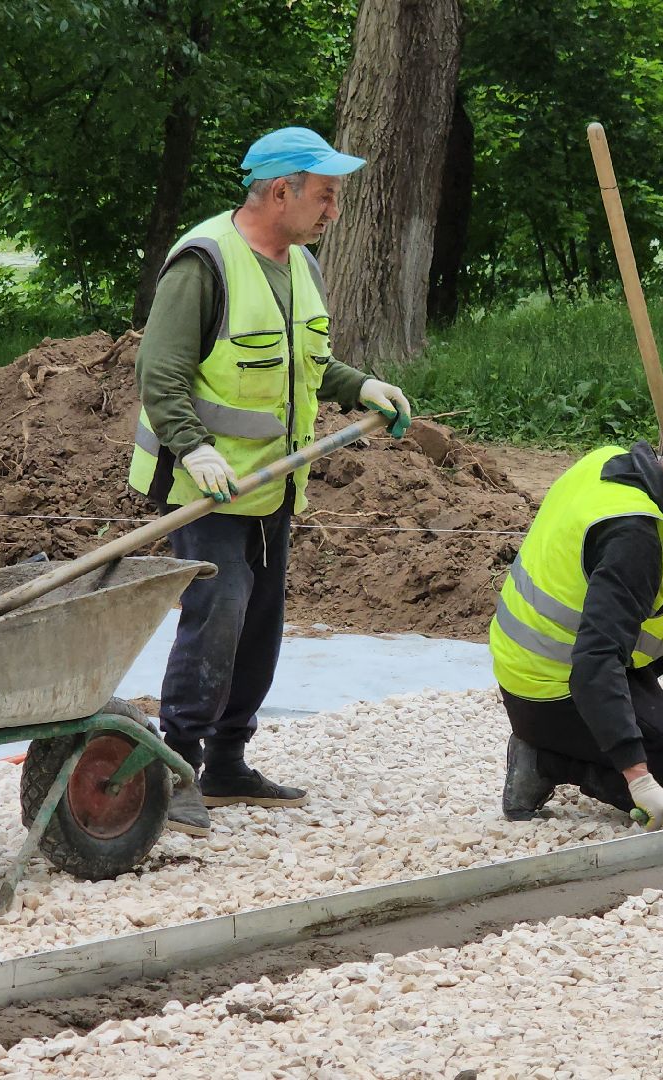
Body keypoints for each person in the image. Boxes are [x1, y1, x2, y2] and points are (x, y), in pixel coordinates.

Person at [129, 127, 414, 835]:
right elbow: (159, 374)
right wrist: (193, 450)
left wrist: (362, 385)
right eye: (325, 195)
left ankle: (229, 760)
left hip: (273, 487)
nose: (334, 211)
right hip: (207, 488)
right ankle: (175, 766)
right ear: (280, 191)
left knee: (259, 627)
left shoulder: (301, 267)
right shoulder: (204, 262)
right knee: (215, 621)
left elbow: (308, 365)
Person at [493, 419, 663, 829]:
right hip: (554, 693)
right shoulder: (633, 536)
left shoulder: (611, 462)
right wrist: (639, 778)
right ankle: (549, 760)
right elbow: (595, 663)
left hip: (551, 661)